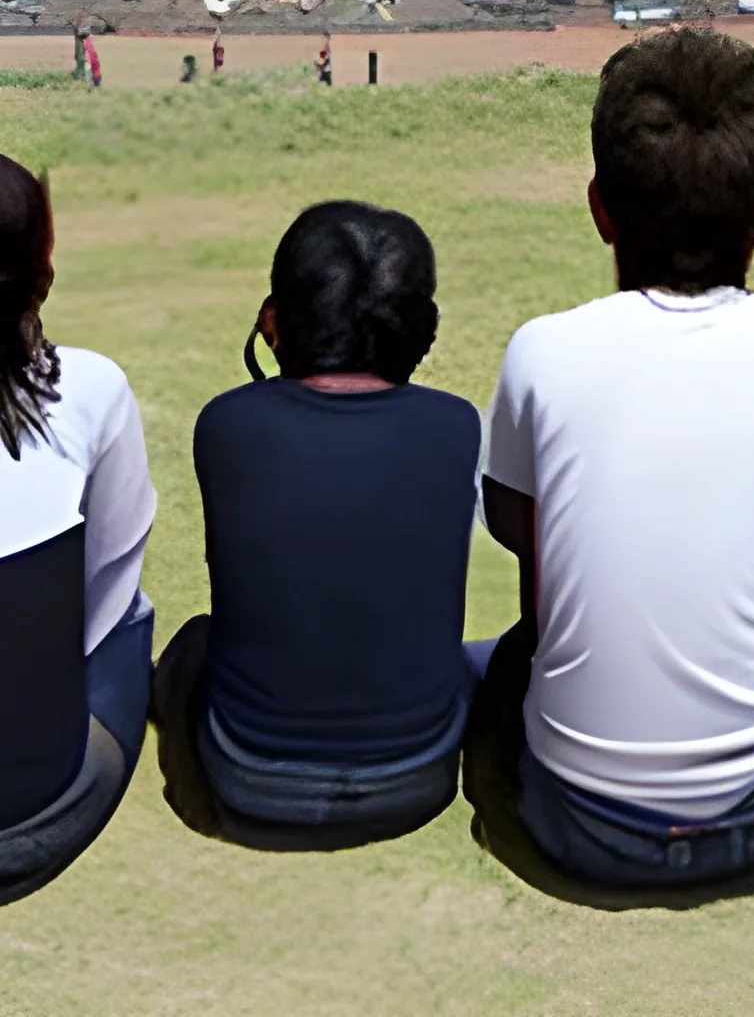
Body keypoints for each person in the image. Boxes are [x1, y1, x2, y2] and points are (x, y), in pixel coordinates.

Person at [467, 28, 754, 896]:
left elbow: (525, 538)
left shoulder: (543, 353)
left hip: (577, 823)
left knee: (522, 648)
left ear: (600, 207)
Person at [151, 203, 480, 848]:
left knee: (193, 640)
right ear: (425, 332)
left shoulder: (228, 425)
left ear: (271, 324)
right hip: (421, 783)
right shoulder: (456, 426)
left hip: (245, 781)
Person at [0, 156, 156, 906]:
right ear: (42, 266)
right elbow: (108, 595)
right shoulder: (89, 390)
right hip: (44, 813)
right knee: (131, 612)